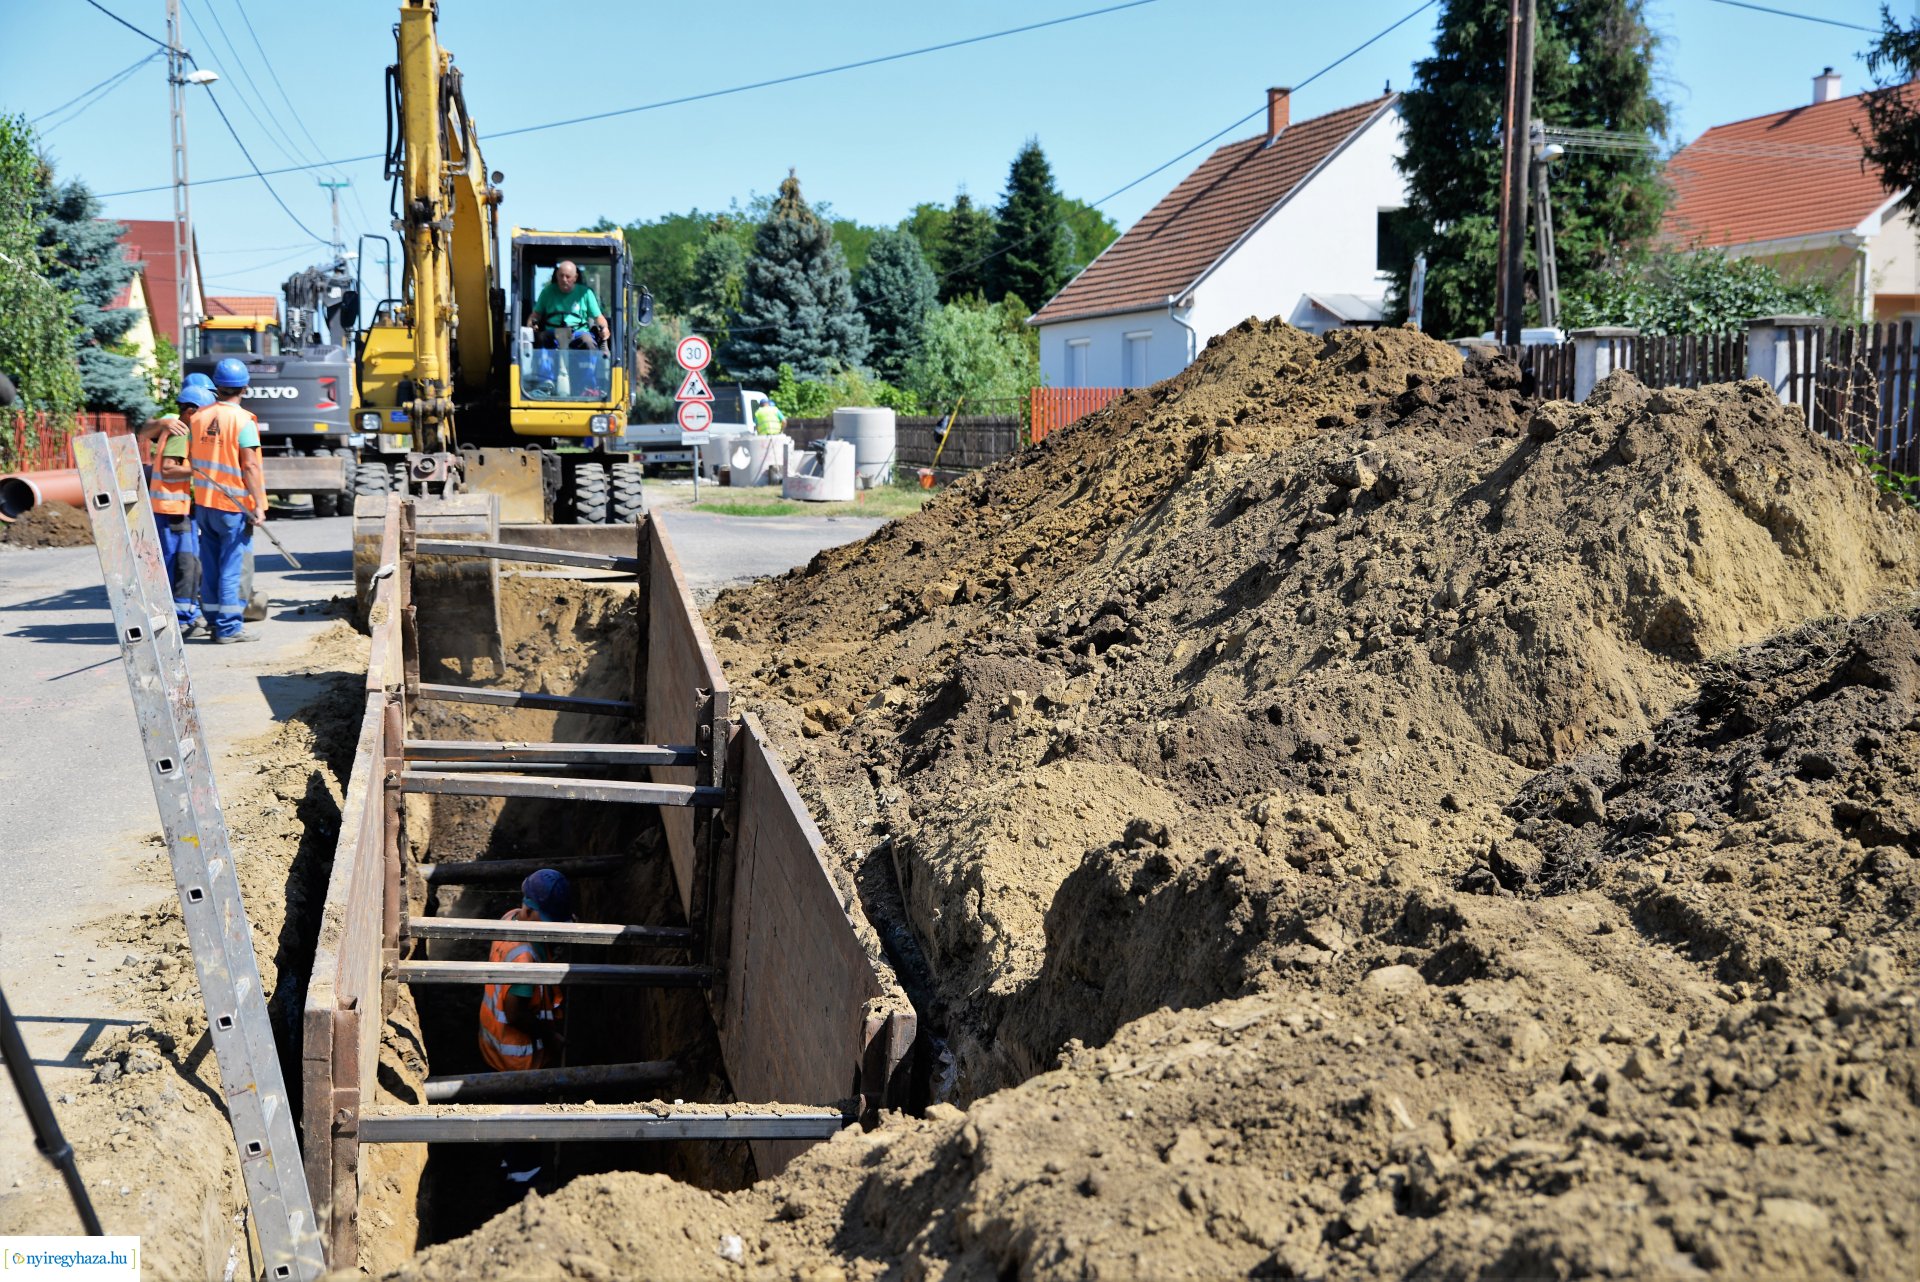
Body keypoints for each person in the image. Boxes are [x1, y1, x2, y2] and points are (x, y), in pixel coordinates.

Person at [188, 358, 268, 644]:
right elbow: (250, 466)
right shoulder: (243, 421)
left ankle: (212, 619)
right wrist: (258, 504)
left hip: (205, 504)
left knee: (210, 565)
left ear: (217, 387)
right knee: (233, 568)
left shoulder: (198, 417)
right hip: (233, 507)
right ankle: (229, 627)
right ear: (244, 387)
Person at [478, 869, 574, 1072]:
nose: (554, 928)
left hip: (493, 1042)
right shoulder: (523, 959)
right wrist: (550, 1037)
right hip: (518, 1059)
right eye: (550, 922)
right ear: (529, 911)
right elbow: (515, 1014)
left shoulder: (511, 917)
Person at [141, 386, 214, 635]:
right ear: (191, 411)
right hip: (172, 510)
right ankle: (180, 620)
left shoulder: (180, 427)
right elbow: (169, 468)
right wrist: (201, 470)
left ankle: (187, 615)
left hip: (177, 508)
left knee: (188, 563)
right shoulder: (180, 432)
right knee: (181, 565)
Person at [525, 260, 609, 395]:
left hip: (578, 333)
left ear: (575, 277)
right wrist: (531, 323)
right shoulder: (547, 292)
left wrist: (604, 328)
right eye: (561, 276)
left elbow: (599, 317)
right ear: (556, 276)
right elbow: (535, 314)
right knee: (540, 338)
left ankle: (587, 386)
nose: (564, 279)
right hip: (553, 332)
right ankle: (546, 382)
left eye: (568, 276)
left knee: (588, 341)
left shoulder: (586, 293)